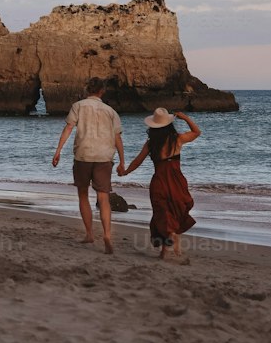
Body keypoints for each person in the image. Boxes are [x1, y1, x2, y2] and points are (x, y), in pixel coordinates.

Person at [52, 76, 126, 254]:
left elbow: (68, 128)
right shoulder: (110, 111)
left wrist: (58, 151)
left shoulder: (78, 106)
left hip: (83, 155)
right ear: (102, 91)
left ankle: (90, 234)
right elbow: (117, 138)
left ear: (87, 90)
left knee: (83, 195)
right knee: (103, 198)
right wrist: (123, 161)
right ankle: (107, 234)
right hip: (104, 157)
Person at [123, 107, 200, 261]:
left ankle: (165, 252)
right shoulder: (177, 139)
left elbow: (138, 160)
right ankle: (173, 244)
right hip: (176, 181)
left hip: (159, 181)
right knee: (176, 210)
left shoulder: (151, 144)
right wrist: (185, 118)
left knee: (162, 213)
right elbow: (197, 132)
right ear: (169, 124)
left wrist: (126, 171)